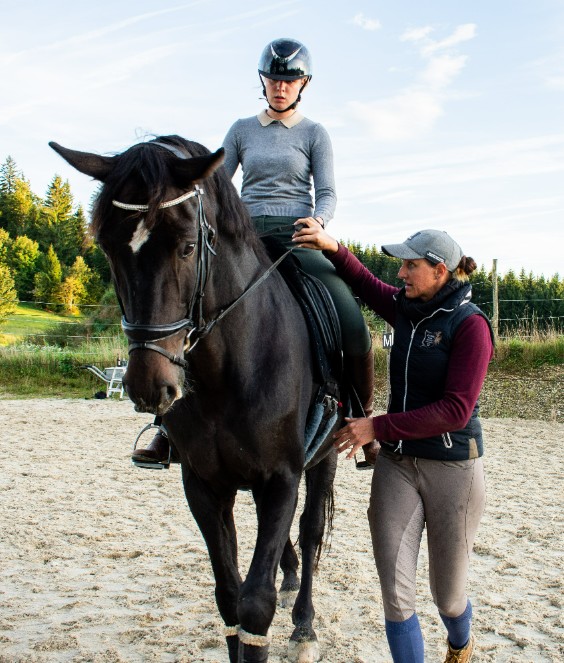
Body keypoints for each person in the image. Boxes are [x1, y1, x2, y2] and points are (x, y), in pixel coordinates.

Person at [132, 38, 376, 466]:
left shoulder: (315, 133)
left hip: (298, 235)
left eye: (289, 80)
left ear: (303, 84)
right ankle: (165, 427)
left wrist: (319, 222)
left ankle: (360, 416)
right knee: (186, 304)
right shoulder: (242, 129)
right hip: (242, 235)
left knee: (352, 321)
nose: (280, 87)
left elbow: (329, 191)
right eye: (273, 79)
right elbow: (215, 185)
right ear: (262, 81)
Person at [292, 222, 494, 663]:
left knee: (448, 598)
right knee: (397, 597)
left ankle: (460, 642)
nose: (400, 273)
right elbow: (365, 283)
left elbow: (455, 410)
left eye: (410, 265)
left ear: (440, 271)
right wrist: (333, 247)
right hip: (398, 467)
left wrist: (375, 427)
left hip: (453, 469)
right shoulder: (406, 308)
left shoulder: (470, 326)